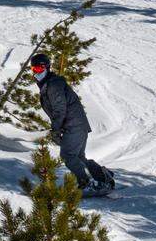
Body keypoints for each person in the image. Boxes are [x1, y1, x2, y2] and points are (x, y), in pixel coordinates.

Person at [31, 53, 114, 195]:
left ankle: (86, 183)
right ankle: (102, 176)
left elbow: (59, 109)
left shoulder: (53, 85)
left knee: (68, 155)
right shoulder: (49, 84)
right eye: (34, 69)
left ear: (47, 68)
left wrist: (56, 129)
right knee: (79, 157)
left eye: (39, 69)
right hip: (77, 125)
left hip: (73, 125)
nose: (36, 72)